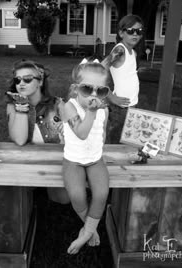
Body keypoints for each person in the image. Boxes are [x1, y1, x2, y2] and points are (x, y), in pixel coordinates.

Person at [62, 59, 110, 254]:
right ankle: (90, 230)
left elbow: (102, 132)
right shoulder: (69, 107)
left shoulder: (104, 110)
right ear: (75, 89)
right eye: (87, 89)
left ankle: (86, 232)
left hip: (95, 159)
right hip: (73, 159)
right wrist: (91, 112)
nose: (93, 95)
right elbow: (81, 133)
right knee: (77, 195)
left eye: (100, 91)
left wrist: (99, 148)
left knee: (101, 193)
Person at [6, 58, 70, 204]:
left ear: (40, 82)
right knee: (15, 198)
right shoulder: (12, 106)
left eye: (27, 79)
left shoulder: (59, 105)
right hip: (25, 160)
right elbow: (20, 140)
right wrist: (21, 107)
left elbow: (74, 137)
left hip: (55, 160)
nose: (21, 83)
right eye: (17, 80)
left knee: (62, 199)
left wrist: (67, 132)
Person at [102, 14, 144, 144]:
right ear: (121, 33)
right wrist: (110, 96)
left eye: (139, 31)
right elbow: (97, 71)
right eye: (130, 31)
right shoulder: (120, 50)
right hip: (120, 108)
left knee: (128, 140)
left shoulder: (133, 52)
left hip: (132, 105)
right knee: (116, 141)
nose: (135, 34)